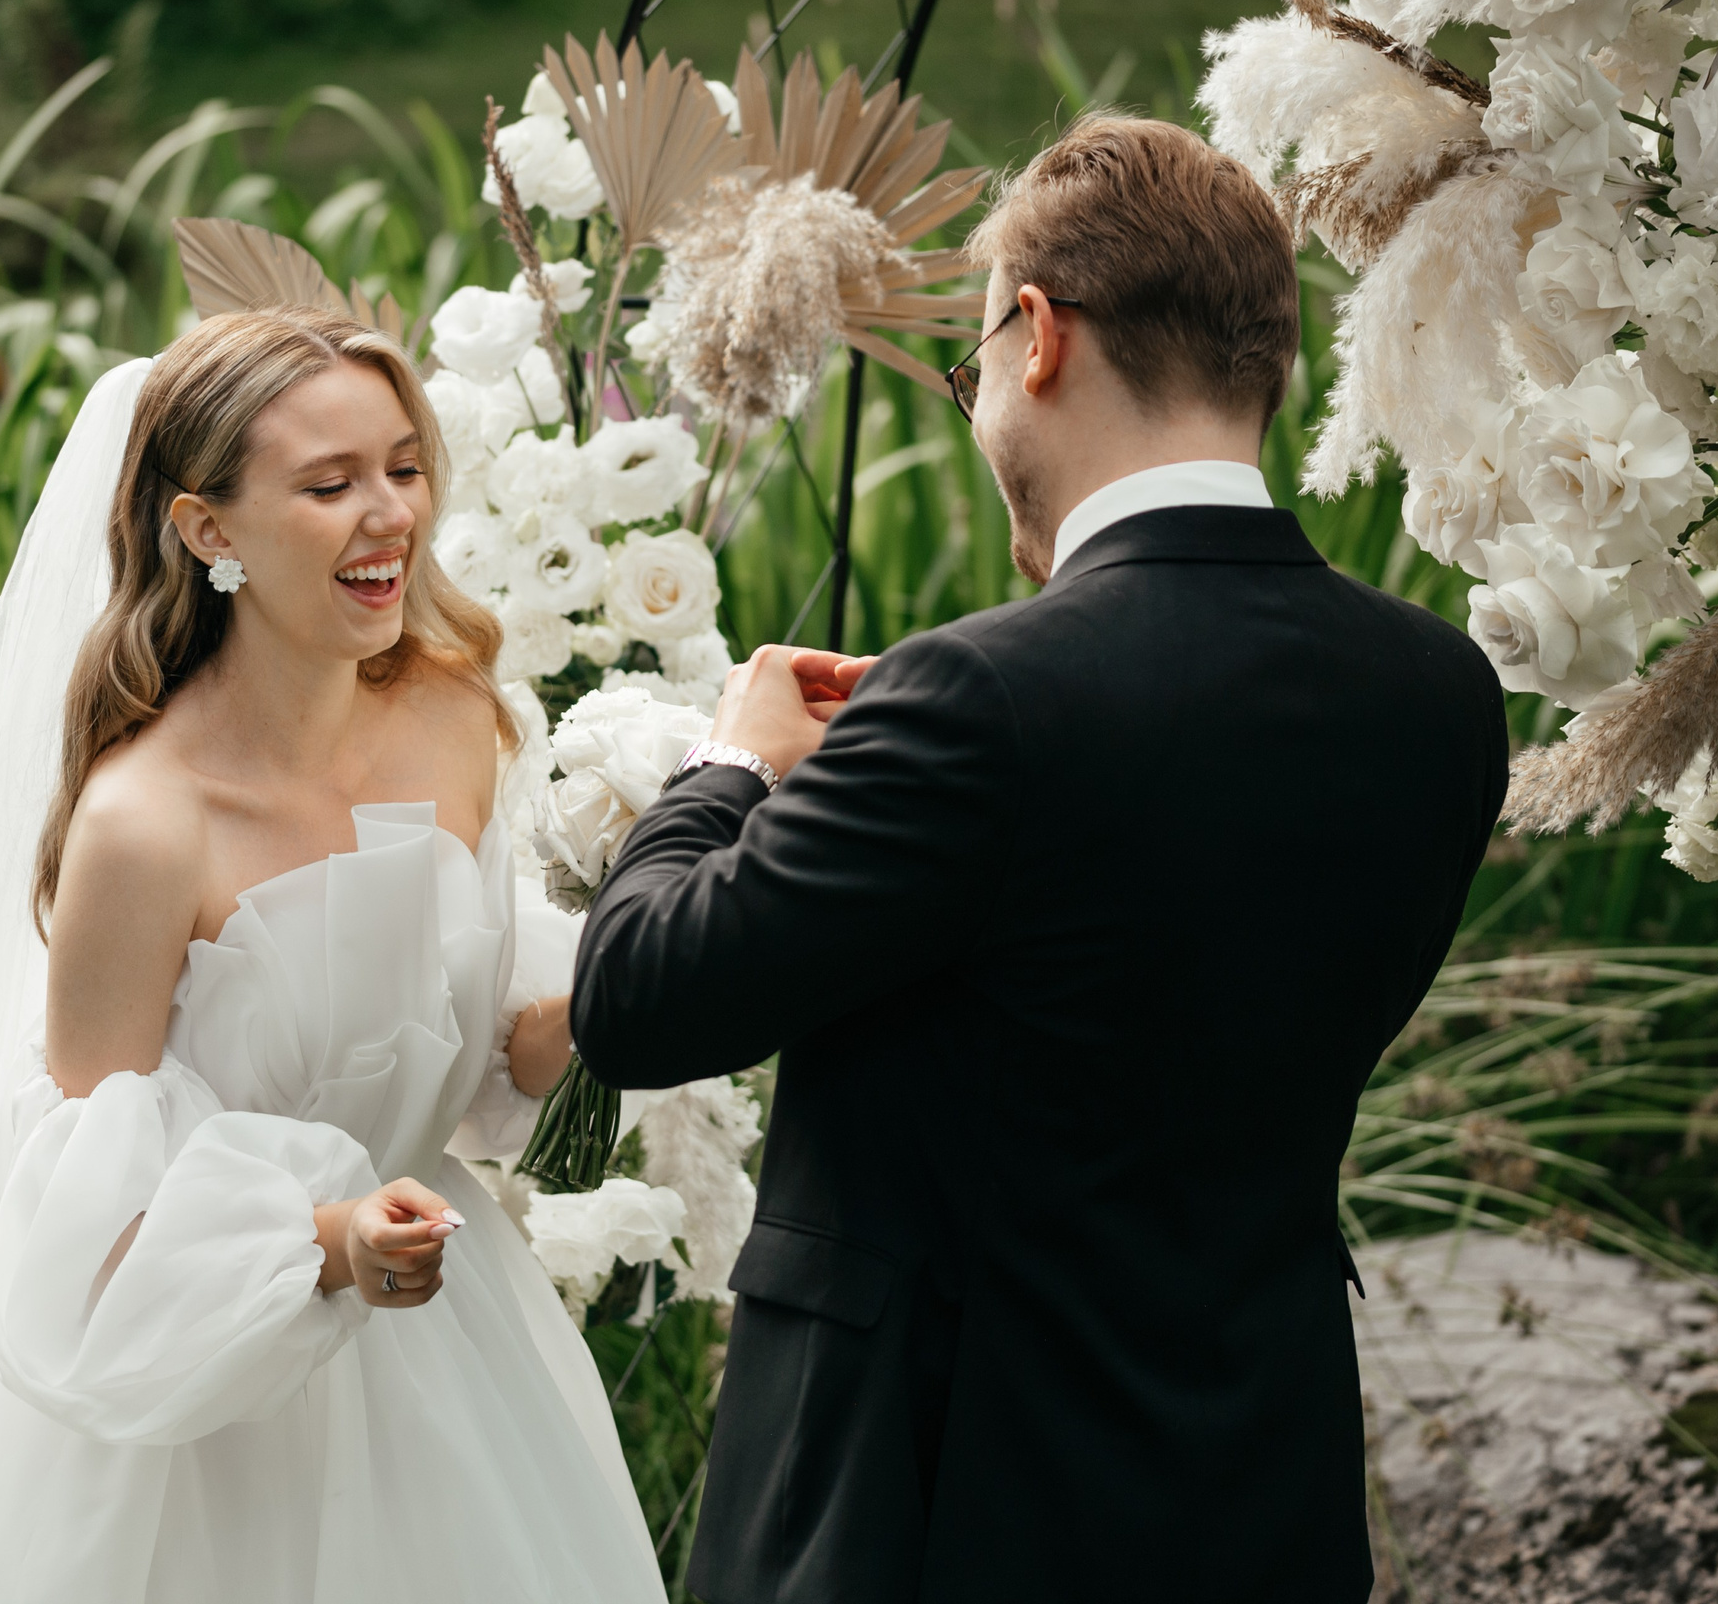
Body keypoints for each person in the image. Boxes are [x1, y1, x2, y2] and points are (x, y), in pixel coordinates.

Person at [569, 116, 1510, 1602]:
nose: (977, 404)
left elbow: (635, 998)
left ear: (1040, 334)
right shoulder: (1440, 694)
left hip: (938, 1504)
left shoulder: (981, 700)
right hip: (1260, 1489)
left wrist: (733, 764)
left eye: (972, 368)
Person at [0, 309, 665, 1603]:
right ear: (208, 530)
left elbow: (469, 1044)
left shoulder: (456, 715)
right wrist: (326, 1239)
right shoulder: (146, 824)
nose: (390, 516)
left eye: (404, 468)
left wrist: (634, 966)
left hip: (444, 1356)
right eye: (329, 484)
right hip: (201, 1406)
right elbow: (85, 1228)